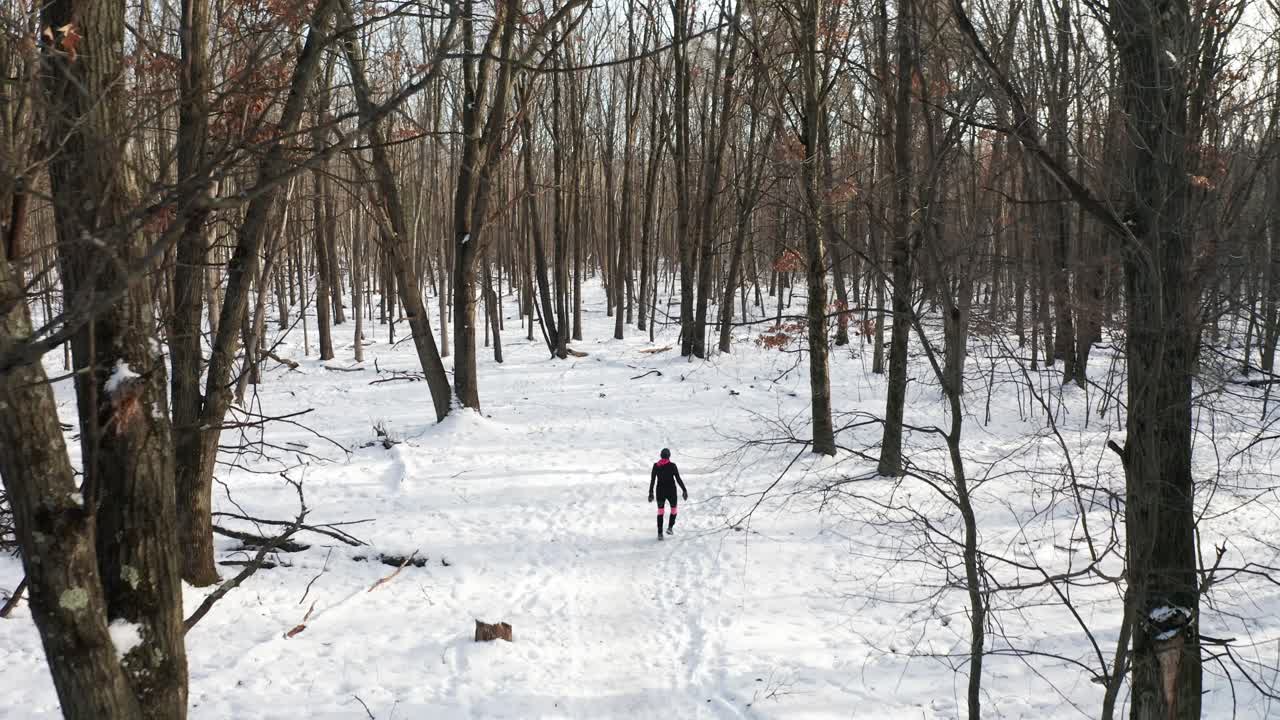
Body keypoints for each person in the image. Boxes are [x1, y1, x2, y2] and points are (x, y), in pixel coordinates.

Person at [648, 448, 687, 540]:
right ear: (669, 456)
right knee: (674, 510)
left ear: (660, 455)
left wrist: (651, 492)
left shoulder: (656, 466)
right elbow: (678, 479)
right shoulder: (673, 466)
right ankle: (670, 528)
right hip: (671, 491)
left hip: (660, 491)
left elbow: (653, 480)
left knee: (660, 512)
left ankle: (660, 533)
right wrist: (684, 490)